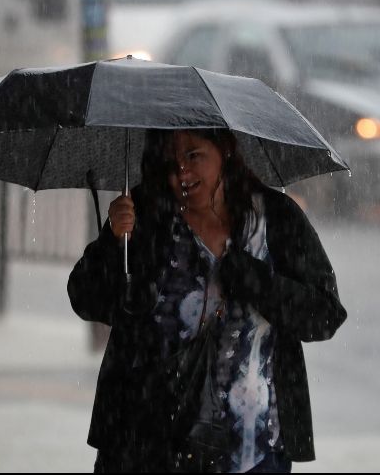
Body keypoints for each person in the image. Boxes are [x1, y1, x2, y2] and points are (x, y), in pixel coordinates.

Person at [67, 128, 347, 473]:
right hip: (146, 444)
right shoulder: (145, 216)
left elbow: (324, 314)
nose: (182, 171)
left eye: (193, 155)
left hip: (253, 450)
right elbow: (86, 299)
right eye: (171, 162)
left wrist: (254, 279)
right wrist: (113, 242)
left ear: (225, 151)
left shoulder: (276, 218)